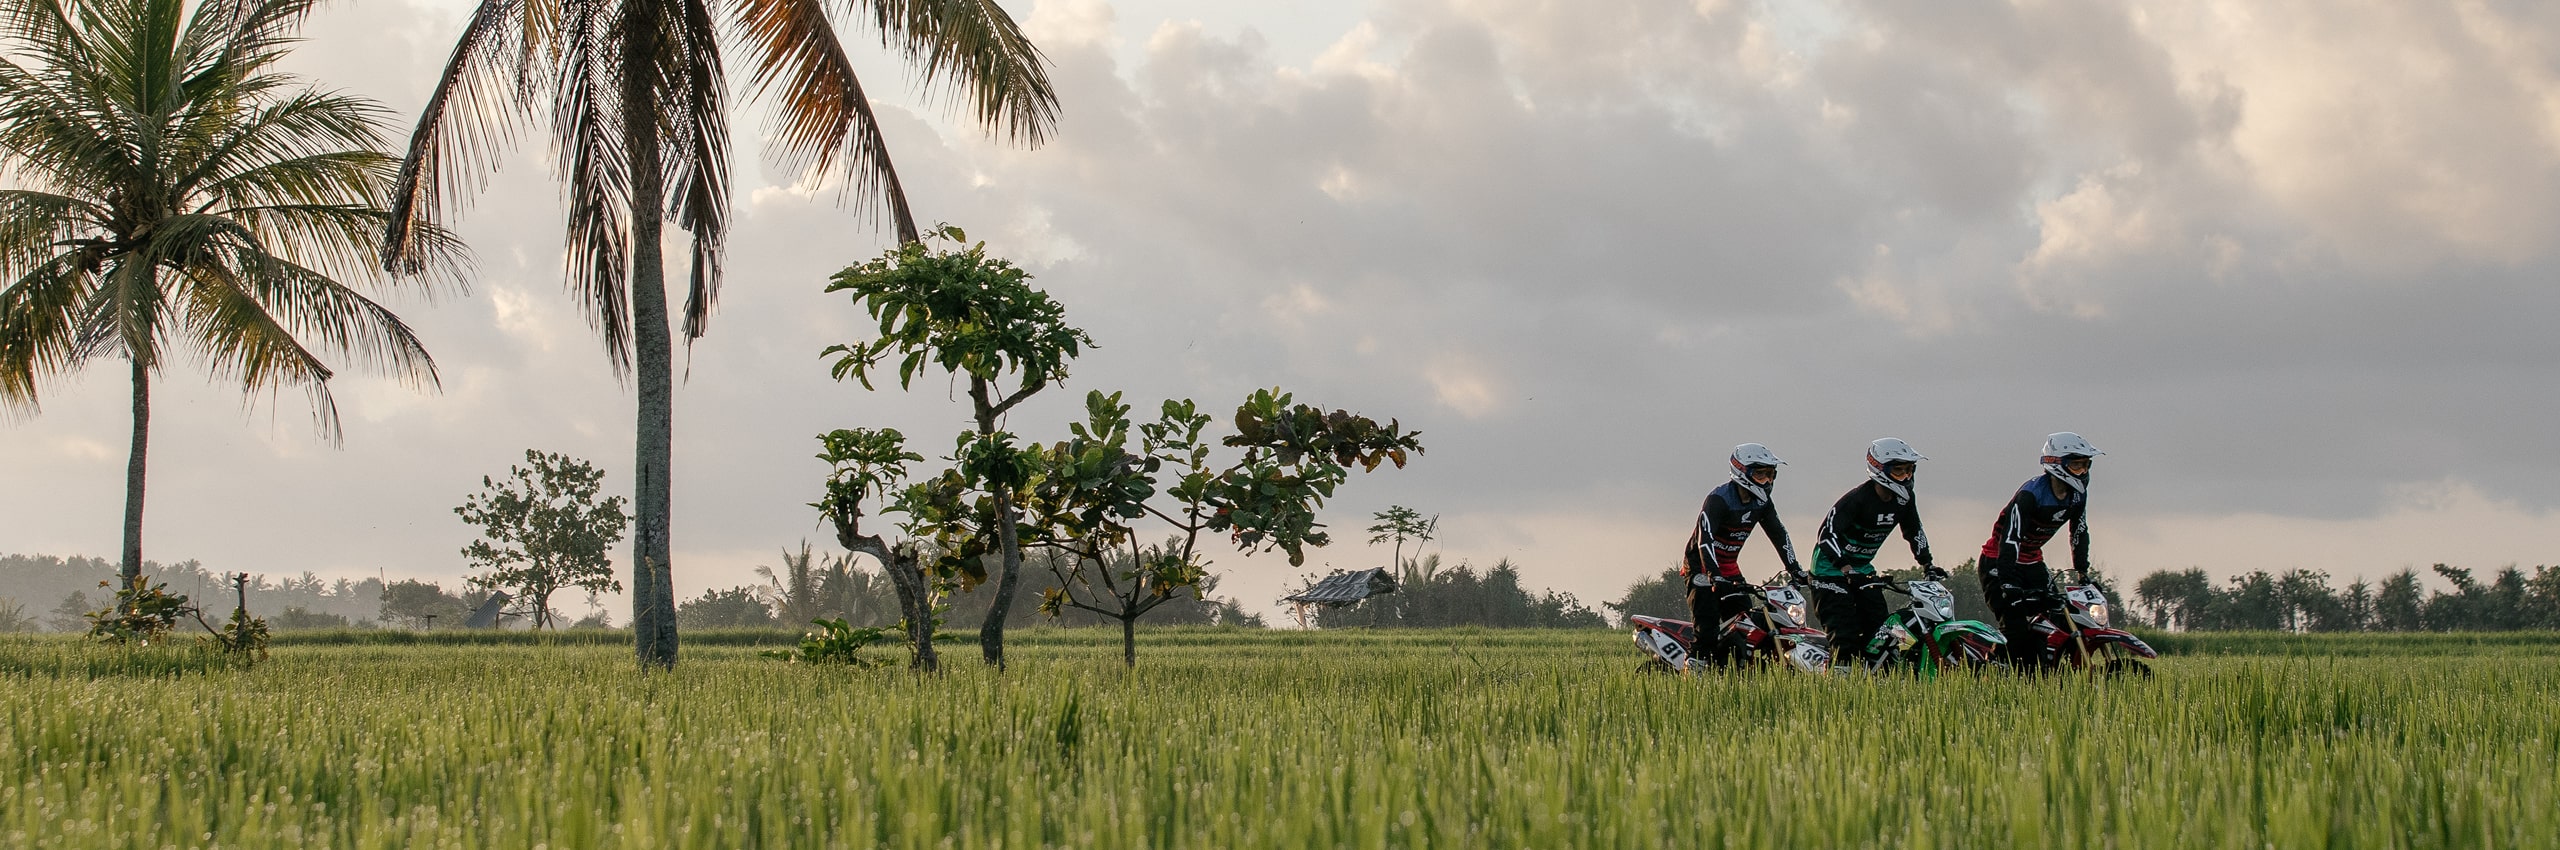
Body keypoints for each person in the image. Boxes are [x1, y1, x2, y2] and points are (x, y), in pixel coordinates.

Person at [1977, 432, 2103, 668]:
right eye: (2076, 465)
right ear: (2057, 465)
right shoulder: (2030, 495)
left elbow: (2079, 532)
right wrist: (2009, 582)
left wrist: (2082, 573)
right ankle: (1995, 668)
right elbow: (2010, 540)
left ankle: (2046, 671)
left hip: (2033, 562)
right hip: (1998, 562)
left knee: (2058, 617)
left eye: (2085, 465)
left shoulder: (2077, 496)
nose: (2083, 471)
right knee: (2015, 626)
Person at [1810, 438, 1938, 666]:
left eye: (1909, 470)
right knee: (1845, 636)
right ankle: (1839, 685)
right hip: (1828, 572)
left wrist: (1927, 564)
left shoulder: (1905, 499)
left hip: (1863, 571)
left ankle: (1884, 679)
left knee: (1884, 633)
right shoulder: (1857, 499)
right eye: (1899, 471)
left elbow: (1914, 530)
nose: (1906, 477)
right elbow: (1825, 536)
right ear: (1880, 470)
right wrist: (1846, 569)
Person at [1681, 443, 1804, 669]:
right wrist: (1714, 575)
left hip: (1729, 567)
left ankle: (1734, 670)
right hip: (1700, 567)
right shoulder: (1718, 499)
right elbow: (1704, 540)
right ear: (1741, 472)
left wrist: (1795, 569)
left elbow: (1779, 535)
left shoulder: (1762, 502)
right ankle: (1694, 671)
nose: (1767, 481)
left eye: (1771, 475)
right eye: (1760, 474)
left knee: (1748, 626)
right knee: (1707, 629)